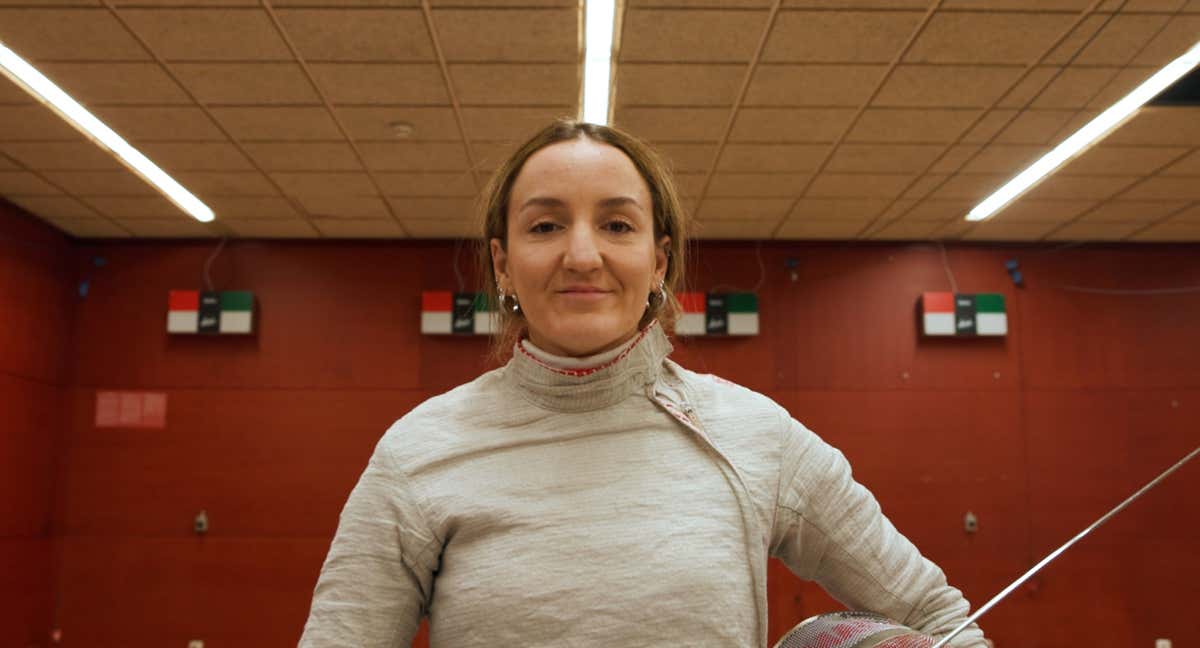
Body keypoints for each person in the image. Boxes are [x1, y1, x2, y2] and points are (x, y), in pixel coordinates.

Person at [297, 120, 988, 647]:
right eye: (545, 225)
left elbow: (939, 620)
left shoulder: (755, 437)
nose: (582, 254)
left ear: (658, 261)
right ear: (503, 265)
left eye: (616, 224)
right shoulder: (420, 451)